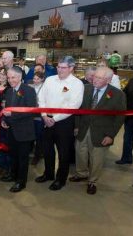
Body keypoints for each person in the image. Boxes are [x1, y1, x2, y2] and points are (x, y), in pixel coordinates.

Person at [70, 67, 126, 194]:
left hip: (102, 133)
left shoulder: (118, 95)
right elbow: (78, 108)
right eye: (95, 76)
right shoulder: (86, 89)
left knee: (97, 158)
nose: (95, 80)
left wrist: (111, 135)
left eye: (99, 78)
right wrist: (77, 126)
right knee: (80, 152)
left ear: (109, 80)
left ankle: (92, 181)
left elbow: (120, 118)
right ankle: (81, 173)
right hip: (83, 129)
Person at [36, 56, 84, 191]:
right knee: (47, 150)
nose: (60, 70)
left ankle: (60, 179)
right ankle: (48, 173)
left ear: (71, 68)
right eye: (58, 67)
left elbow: (73, 105)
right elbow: (41, 98)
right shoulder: (50, 80)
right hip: (46, 119)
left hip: (64, 122)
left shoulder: (76, 84)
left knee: (63, 153)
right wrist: (44, 115)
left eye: (63, 67)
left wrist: (54, 119)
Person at [0, 66, 37, 193]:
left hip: (24, 132)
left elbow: (31, 111)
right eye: (9, 77)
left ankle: (21, 182)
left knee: (23, 158)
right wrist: (5, 121)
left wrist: (12, 115)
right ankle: (13, 175)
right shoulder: (9, 91)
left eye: (13, 77)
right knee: (13, 156)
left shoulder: (29, 90)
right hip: (12, 131)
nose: (10, 80)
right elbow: (7, 110)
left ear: (20, 77)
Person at [30, 71, 45, 165]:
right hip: (30, 116)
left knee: (39, 137)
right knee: (31, 135)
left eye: (38, 79)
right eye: (34, 79)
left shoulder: (45, 88)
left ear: (42, 79)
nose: (35, 81)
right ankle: (30, 152)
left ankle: (37, 155)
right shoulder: (30, 87)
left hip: (40, 116)